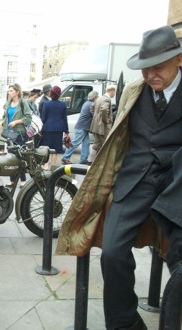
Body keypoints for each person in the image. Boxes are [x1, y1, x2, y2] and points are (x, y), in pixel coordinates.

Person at [56, 25, 182, 330]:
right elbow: (118, 137)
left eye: (158, 67)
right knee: (111, 253)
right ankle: (125, 323)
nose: (151, 74)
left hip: (177, 186)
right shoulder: (133, 92)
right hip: (133, 183)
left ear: (179, 59)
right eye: (146, 67)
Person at [0, 83, 32, 187]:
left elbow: (28, 118)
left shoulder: (23, 103)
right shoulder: (8, 103)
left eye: (11, 90)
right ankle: (12, 180)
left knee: (20, 157)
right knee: (10, 157)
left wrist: (16, 122)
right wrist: (0, 123)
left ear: (17, 92)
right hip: (9, 134)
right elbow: (5, 117)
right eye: (9, 90)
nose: (9, 92)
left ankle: (23, 180)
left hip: (20, 133)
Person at [61, 90, 99, 165]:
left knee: (86, 143)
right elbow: (95, 116)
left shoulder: (86, 103)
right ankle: (65, 157)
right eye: (97, 97)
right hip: (82, 127)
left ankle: (83, 160)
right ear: (95, 97)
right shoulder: (92, 105)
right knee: (75, 143)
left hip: (83, 127)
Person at [40, 85, 69, 170]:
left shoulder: (46, 104)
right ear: (59, 94)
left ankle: (45, 165)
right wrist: (66, 131)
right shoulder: (63, 104)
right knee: (55, 148)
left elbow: (43, 118)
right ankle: (53, 165)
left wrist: (41, 129)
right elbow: (65, 119)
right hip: (58, 129)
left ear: (51, 94)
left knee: (46, 148)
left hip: (47, 128)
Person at [89, 84, 116, 160]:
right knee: (106, 145)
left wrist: (96, 117)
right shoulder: (107, 99)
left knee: (96, 145)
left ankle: (90, 162)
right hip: (103, 127)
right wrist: (105, 120)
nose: (114, 94)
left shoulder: (99, 98)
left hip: (95, 126)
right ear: (112, 91)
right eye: (114, 92)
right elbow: (104, 109)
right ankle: (103, 163)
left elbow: (91, 107)